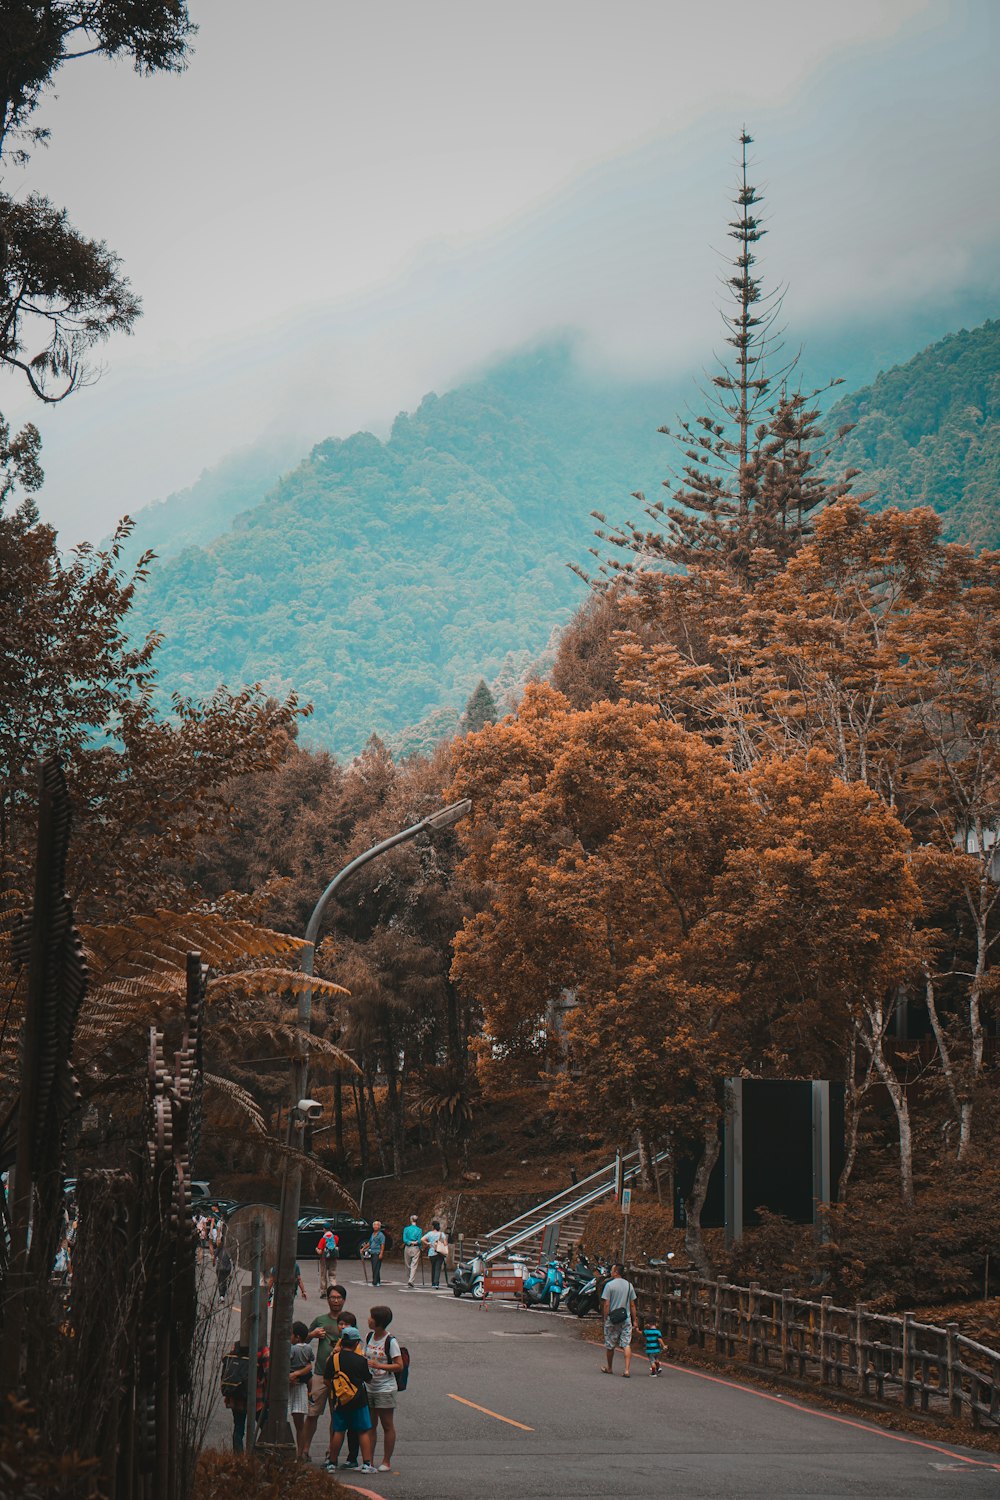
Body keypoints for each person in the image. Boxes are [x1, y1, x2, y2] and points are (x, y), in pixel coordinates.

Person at [323, 1325, 377, 1475]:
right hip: (359, 1400)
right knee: (363, 1431)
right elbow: (369, 1379)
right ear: (355, 1343)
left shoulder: (333, 1359)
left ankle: (332, 1463)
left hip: (340, 1401)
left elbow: (326, 1380)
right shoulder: (361, 1360)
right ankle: (366, 1464)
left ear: (342, 1342)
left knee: (339, 1430)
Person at [303, 1284, 347, 1456]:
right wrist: (312, 1335)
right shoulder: (320, 1320)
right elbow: (301, 1339)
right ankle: (305, 1450)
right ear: (327, 1299)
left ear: (344, 1300)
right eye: (332, 1298)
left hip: (340, 1376)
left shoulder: (348, 1320)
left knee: (336, 1415)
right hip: (320, 1374)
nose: (336, 1301)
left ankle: (332, 1451)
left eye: (339, 1298)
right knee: (312, 1414)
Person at [364, 1304, 404, 1473]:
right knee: (370, 1425)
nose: (368, 1319)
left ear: (378, 1322)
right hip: (369, 1387)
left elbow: (399, 1365)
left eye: (371, 1317)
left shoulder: (391, 1341)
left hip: (385, 1388)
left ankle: (386, 1461)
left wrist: (379, 1365)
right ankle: (369, 1461)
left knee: (387, 1425)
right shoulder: (369, 1336)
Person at [600, 1262, 638, 1377]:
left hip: (613, 1318)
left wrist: (606, 1317)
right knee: (626, 1344)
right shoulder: (629, 1286)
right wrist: (634, 1320)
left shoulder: (609, 1285)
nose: (611, 1272)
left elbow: (606, 1304)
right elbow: (632, 1305)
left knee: (610, 1344)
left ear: (616, 1272)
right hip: (625, 1318)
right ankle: (626, 1370)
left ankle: (610, 1367)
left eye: (612, 1270)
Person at [289, 1321, 314, 1458]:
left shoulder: (291, 1349)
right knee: (300, 1423)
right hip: (302, 1385)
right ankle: (300, 1453)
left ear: (297, 1337)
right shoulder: (308, 1348)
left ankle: (297, 1454)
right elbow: (310, 1365)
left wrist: (292, 1374)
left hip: (292, 1386)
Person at [421, 1220, 446, 1288]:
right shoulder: (442, 1234)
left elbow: (422, 1239)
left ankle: (433, 1283)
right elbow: (445, 1243)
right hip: (439, 1253)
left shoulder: (430, 1234)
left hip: (432, 1253)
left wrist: (428, 1243)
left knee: (433, 1267)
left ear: (433, 1226)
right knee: (438, 1268)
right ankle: (436, 1283)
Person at [317, 1227, 339, 1295]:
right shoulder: (335, 1237)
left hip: (324, 1258)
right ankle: (334, 1288)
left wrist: (316, 1249)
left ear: (324, 1229)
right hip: (333, 1258)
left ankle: (323, 1291)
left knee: (323, 1275)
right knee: (332, 1274)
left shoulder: (323, 1239)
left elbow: (320, 1251)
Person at [402, 1215, 422, 1288]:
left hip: (408, 1247)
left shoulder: (406, 1229)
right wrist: (419, 1246)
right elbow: (419, 1240)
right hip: (416, 1247)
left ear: (411, 1220)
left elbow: (404, 1239)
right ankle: (411, 1280)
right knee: (414, 1265)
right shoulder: (419, 1230)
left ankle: (409, 1278)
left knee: (407, 1264)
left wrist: (409, 1242)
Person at [368, 1221, 386, 1287]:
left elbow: (382, 1244)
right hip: (372, 1252)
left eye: (377, 1225)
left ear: (379, 1226)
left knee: (376, 1267)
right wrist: (363, 1249)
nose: (375, 1226)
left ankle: (375, 1281)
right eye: (374, 1225)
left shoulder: (381, 1235)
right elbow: (369, 1242)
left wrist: (381, 1253)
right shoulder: (373, 1234)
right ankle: (377, 1280)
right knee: (374, 1267)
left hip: (377, 1252)